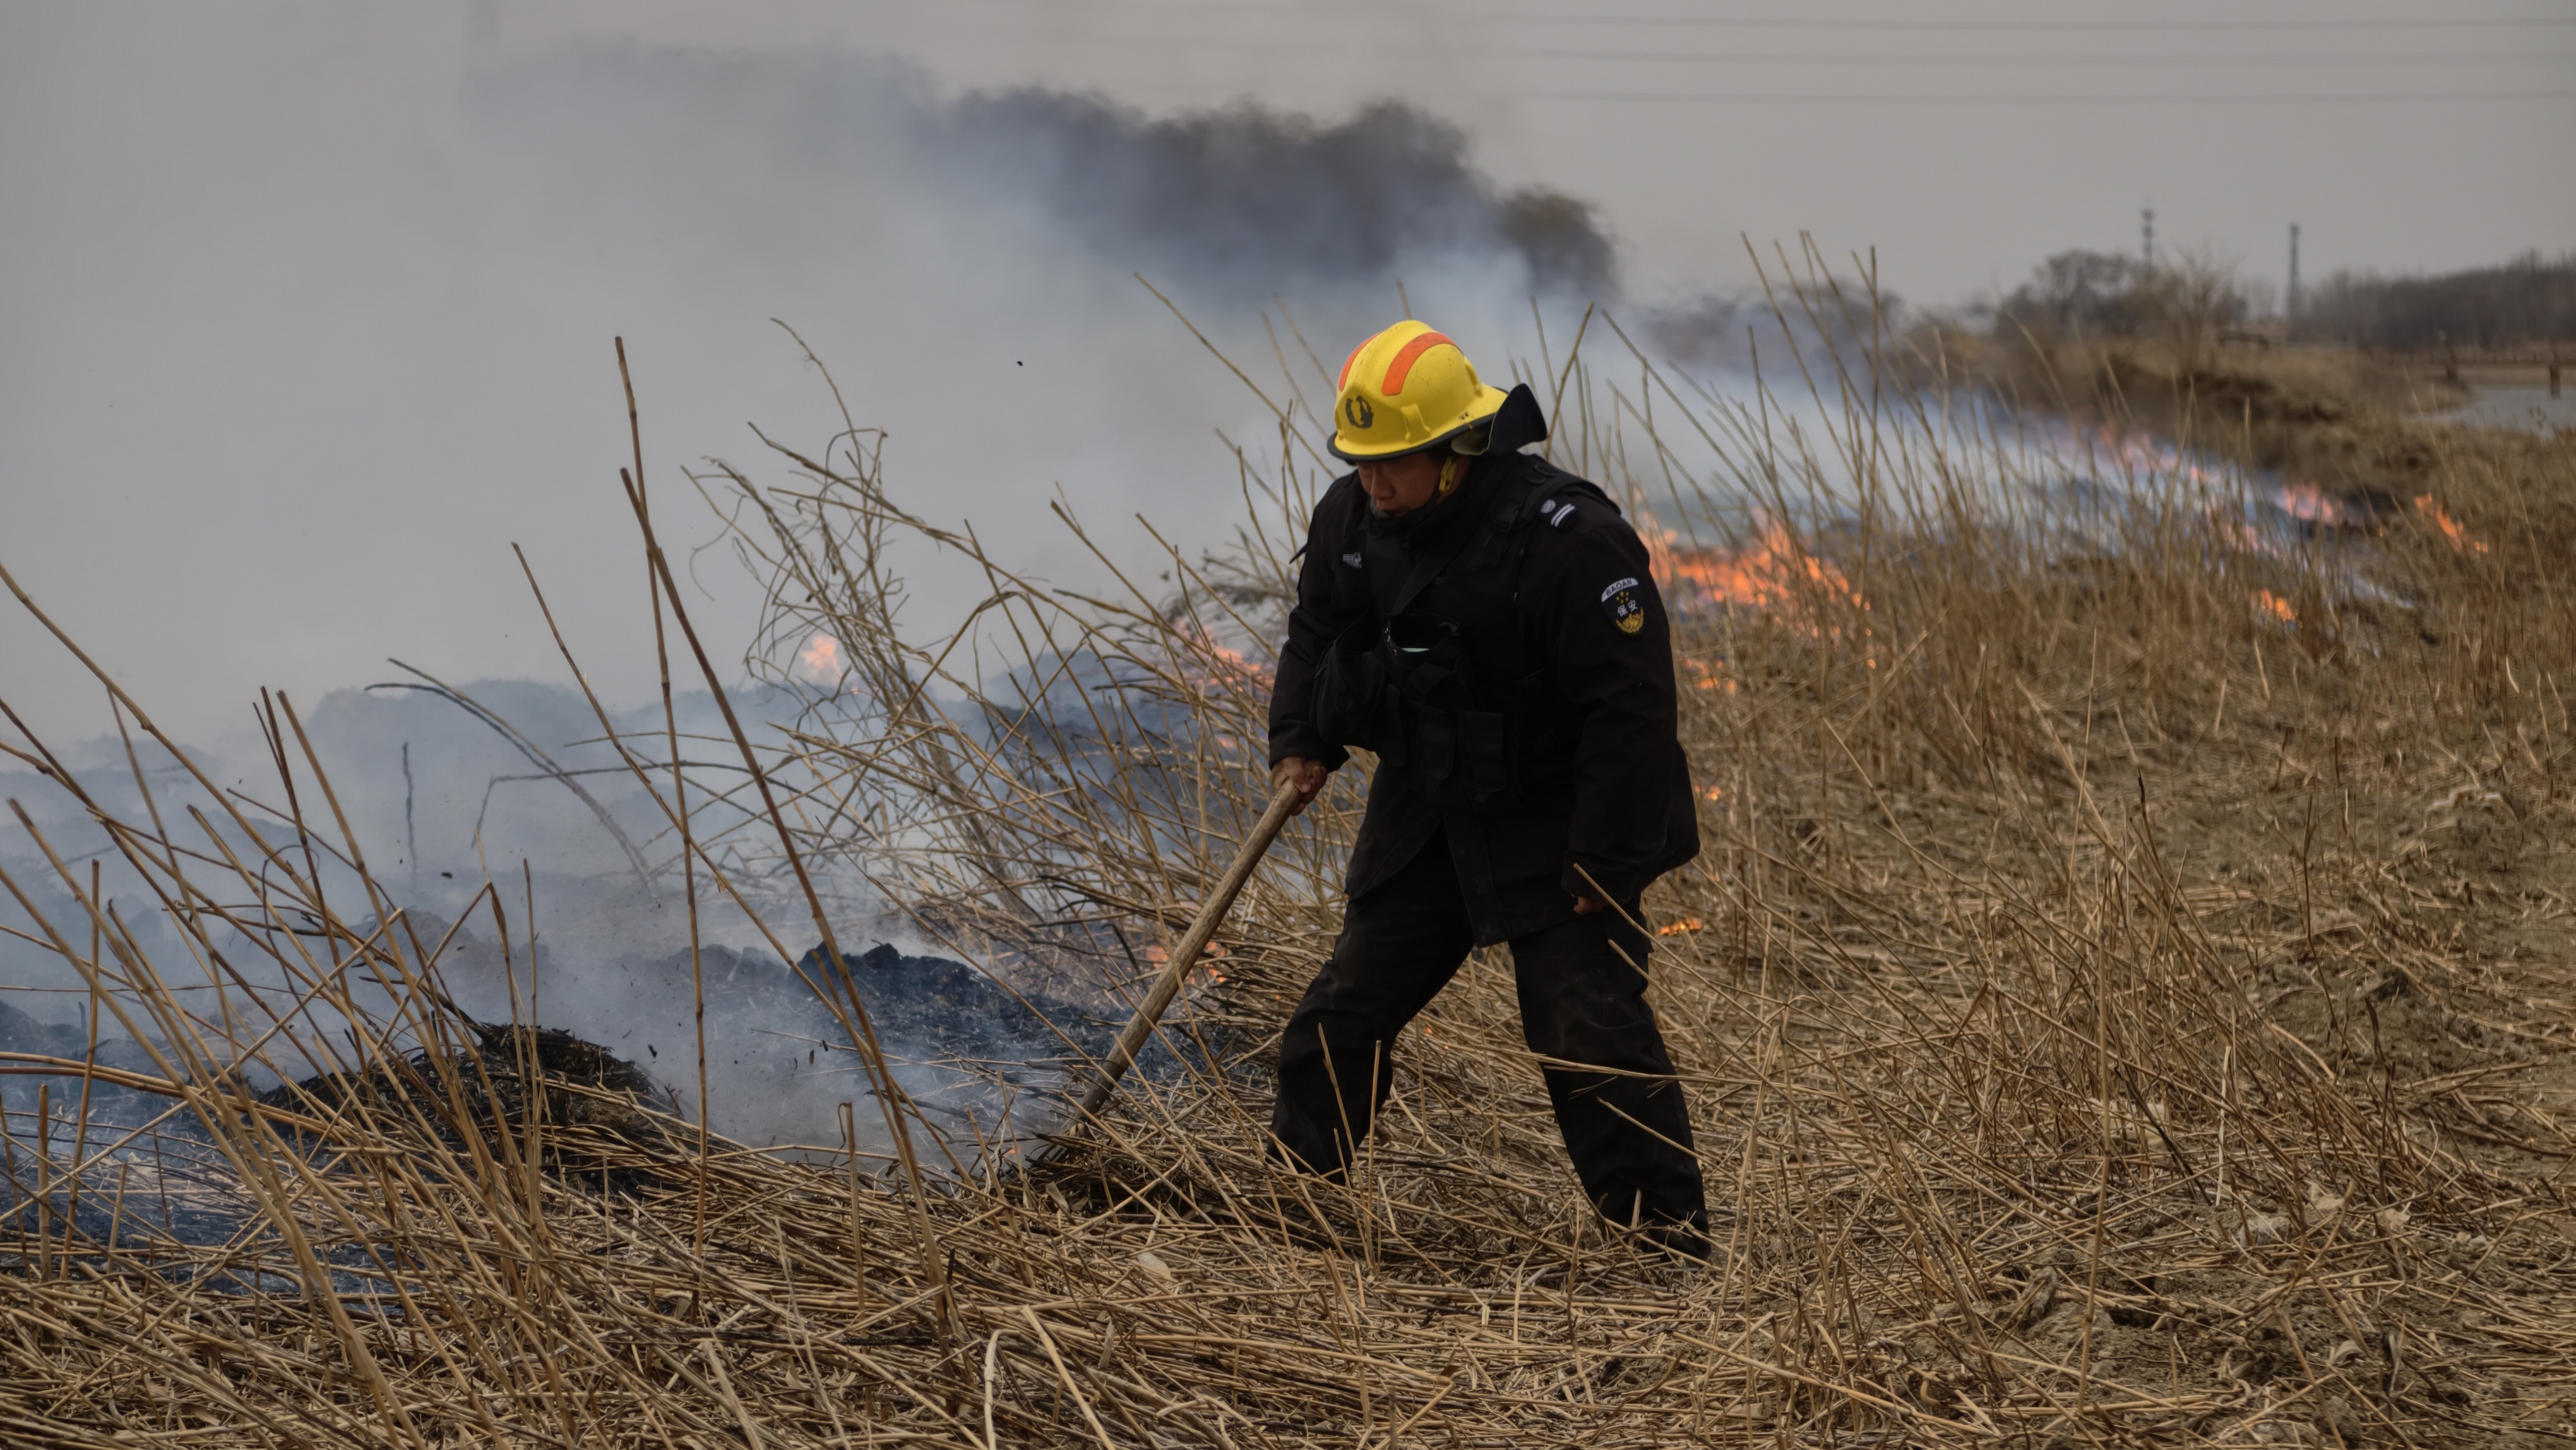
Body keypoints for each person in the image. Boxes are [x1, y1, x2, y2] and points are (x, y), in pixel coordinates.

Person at [1264, 320, 1709, 1259]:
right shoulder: (1354, 517)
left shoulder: (1569, 540)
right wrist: (1300, 737)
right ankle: (1289, 1210)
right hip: (1429, 800)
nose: (1372, 484)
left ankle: (1666, 1252)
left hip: (1558, 814)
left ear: (1458, 449)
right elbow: (1319, 627)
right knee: (1343, 1012)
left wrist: (1606, 859)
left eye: (1393, 463)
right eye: (1361, 463)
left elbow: (1631, 709)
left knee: (1587, 1035)